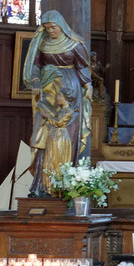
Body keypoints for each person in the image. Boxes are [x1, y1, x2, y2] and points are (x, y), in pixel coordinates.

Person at [24, 11, 94, 196]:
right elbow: (36, 66)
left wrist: (88, 85)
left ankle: (65, 180)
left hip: (70, 90)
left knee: (67, 133)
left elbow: (82, 67)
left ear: (61, 26)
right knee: (42, 132)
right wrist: (35, 80)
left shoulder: (75, 43)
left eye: (53, 27)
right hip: (48, 90)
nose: (51, 31)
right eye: (47, 28)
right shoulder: (42, 42)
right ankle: (41, 183)